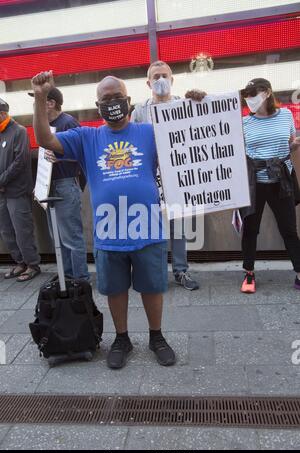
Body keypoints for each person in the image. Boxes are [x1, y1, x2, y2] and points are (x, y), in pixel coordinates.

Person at [31, 70, 176, 370]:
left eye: (117, 98)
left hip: (146, 227)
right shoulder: (87, 137)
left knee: (152, 287)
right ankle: (121, 338)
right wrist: (41, 98)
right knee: (115, 289)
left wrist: (198, 104)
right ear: (98, 106)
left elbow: (186, 141)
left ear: (129, 101)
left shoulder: (150, 132)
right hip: (109, 231)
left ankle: (156, 336)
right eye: (105, 99)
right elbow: (45, 138)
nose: (112, 103)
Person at [131, 60, 203, 291]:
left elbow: (204, 128)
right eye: (156, 76)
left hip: (176, 177)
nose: (160, 80)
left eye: (164, 75)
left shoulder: (184, 105)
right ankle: (156, 272)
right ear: (148, 82)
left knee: (179, 227)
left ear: (172, 80)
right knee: (153, 227)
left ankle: (181, 271)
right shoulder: (140, 111)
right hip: (150, 179)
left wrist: (202, 101)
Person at [240, 77, 300, 293]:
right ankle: (249, 272)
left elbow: (290, 145)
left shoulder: (285, 115)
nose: (249, 99)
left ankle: (299, 272)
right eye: (246, 95)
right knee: (250, 229)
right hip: (254, 183)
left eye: (253, 93)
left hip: (281, 180)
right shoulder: (244, 122)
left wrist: (293, 146)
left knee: (289, 229)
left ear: (266, 93)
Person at [28, 87, 89, 281]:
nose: (35, 105)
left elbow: (84, 154)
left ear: (51, 103)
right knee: (58, 237)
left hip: (65, 185)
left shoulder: (68, 122)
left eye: (39, 100)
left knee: (71, 237)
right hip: (49, 186)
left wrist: (62, 158)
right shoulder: (44, 125)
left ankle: (80, 279)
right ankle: (67, 275)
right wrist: (39, 184)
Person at [0, 98, 41, 281]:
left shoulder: (19, 131)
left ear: (2, 114)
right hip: (2, 192)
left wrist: (2, 180)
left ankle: (32, 264)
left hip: (17, 191)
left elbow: (20, 162)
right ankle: (20, 262)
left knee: (22, 229)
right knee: (7, 231)